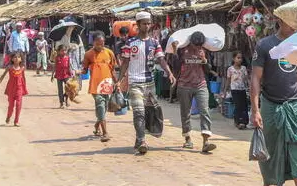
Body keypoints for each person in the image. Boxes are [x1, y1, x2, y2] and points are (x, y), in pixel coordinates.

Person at [250, 19, 297, 186]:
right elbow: (256, 77)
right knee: (270, 148)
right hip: (270, 104)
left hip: (294, 104)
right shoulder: (265, 45)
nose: (294, 24)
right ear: (279, 21)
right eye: (289, 20)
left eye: (295, 20)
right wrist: (255, 109)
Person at [118, 11, 175, 155]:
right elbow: (125, 62)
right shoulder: (129, 43)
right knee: (138, 112)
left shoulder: (155, 43)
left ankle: (139, 138)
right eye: (144, 23)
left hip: (150, 84)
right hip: (135, 82)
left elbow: (161, 59)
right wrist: (119, 80)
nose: (147, 26)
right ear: (138, 25)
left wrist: (169, 73)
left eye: (149, 23)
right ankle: (142, 140)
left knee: (149, 112)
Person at [173, 31, 216, 153]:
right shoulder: (182, 50)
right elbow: (175, 66)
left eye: (199, 45)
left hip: (200, 85)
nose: (197, 47)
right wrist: (175, 51)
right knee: (185, 113)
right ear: (190, 42)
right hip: (184, 86)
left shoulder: (204, 51)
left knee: (205, 111)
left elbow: (208, 69)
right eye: (195, 45)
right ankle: (187, 138)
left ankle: (206, 141)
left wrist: (204, 60)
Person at [82, 31, 116, 143]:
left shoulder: (109, 53)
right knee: (100, 105)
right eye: (97, 43)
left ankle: (97, 125)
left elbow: (112, 69)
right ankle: (105, 132)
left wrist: (118, 83)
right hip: (95, 85)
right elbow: (85, 69)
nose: (100, 46)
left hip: (107, 83)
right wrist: (77, 73)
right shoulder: (88, 54)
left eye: (102, 43)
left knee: (105, 106)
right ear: (93, 42)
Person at [0, 52, 28, 127]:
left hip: (19, 89)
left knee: (19, 105)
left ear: (21, 59)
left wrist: (24, 88)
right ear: (12, 59)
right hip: (11, 89)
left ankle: (16, 121)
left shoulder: (22, 68)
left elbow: (23, 78)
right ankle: (8, 116)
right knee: (11, 106)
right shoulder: (9, 67)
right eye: (15, 57)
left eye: (18, 57)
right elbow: (2, 76)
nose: (16, 59)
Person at [226, 51, 249, 129]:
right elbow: (228, 80)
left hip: (242, 89)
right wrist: (225, 90)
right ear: (234, 59)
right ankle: (238, 122)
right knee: (238, 105)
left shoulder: (243, 68)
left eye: (241, 58)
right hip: (234, 90)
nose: (240, 59)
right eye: (238, 58)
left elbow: (246, 79)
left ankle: (244, 122)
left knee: (244, 105)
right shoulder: (230, 69)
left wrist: (249, 86)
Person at [52, 44, 73, 109]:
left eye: (65, 51)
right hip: (59, 76)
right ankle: (61, 102)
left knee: (68, 89)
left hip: (66, 75)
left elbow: (69, 66)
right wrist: (52, 75)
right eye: (62, 51)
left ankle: (66, 99)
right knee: (60, 89)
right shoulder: (57, 58)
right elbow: (55, 67)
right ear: (58, 51)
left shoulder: (68, 58)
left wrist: (71, 73)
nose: (63, 52)